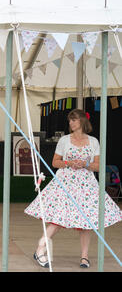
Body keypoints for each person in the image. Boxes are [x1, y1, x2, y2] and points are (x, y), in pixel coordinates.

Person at [25, 109, 122, 269]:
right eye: (70, 120)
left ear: (82, 121)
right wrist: (69, 163)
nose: (71, 123)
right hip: (65, 183)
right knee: (57, 218)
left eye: (74, 120)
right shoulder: (64, 140)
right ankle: (40, 248)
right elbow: (55, 162)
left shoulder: (93, 141)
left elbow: (98, 166)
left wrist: (85, 164)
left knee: (86, 222)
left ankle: (84, 257)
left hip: (86, 186)